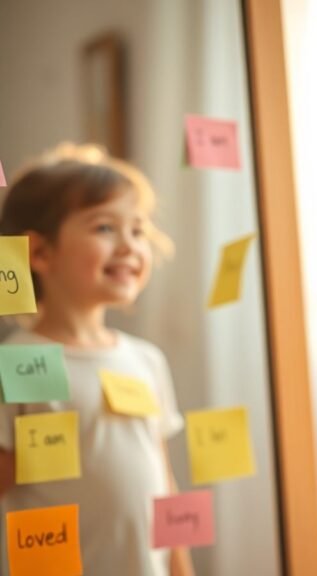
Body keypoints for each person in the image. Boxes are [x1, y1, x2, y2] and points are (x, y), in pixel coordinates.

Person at [0, 144, 193, 576]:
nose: (129, 245)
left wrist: (181, 569)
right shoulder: (13, 362)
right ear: (40, 253)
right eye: (105, 228)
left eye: (138, 231)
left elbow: (163, 483)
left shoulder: (146, 360)